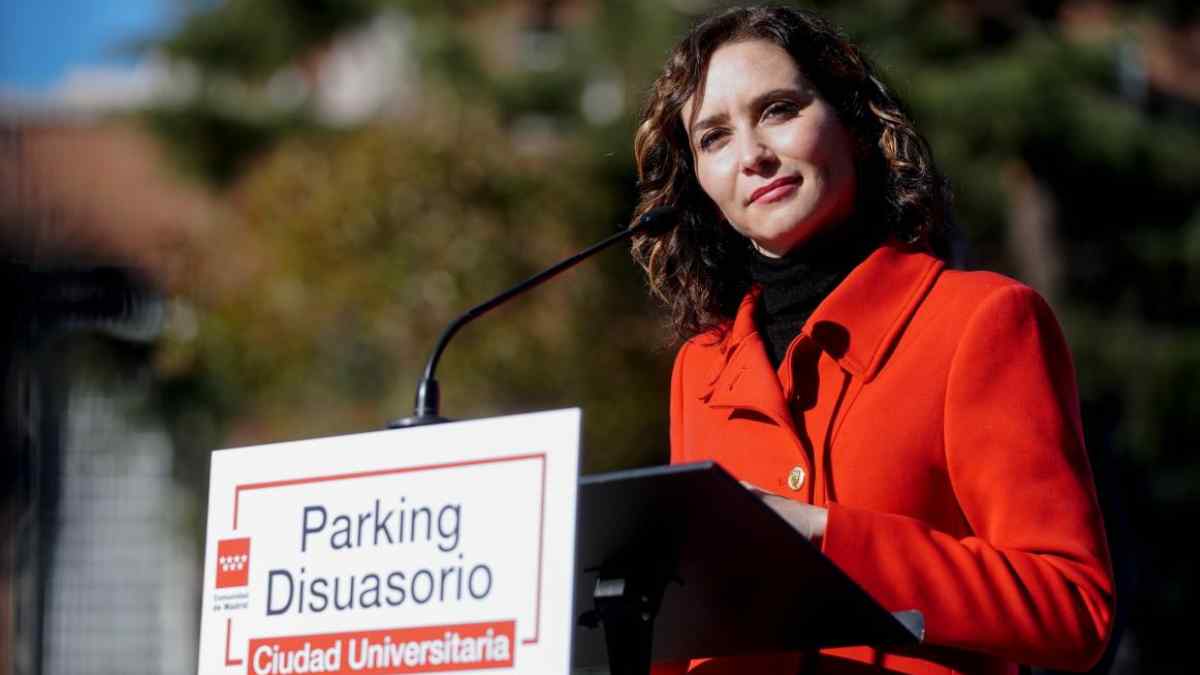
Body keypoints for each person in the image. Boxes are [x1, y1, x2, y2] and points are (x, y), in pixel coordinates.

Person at [629, 6, 1114, 674]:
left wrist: (822, 532)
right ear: (698, 182)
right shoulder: (700, 368)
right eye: (714, 138)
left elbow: (1072, 605)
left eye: (778, 110)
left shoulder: (983, 320)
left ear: (853, 121)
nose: (752, 156)